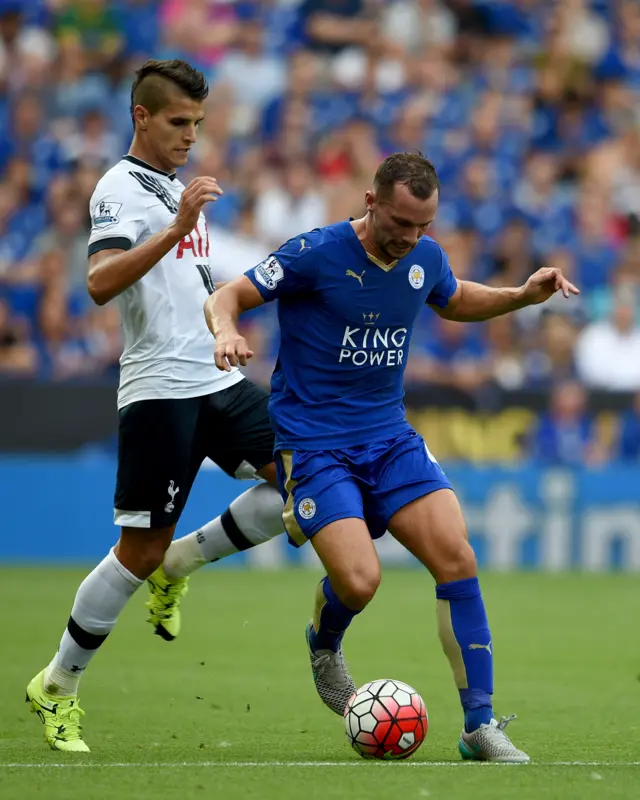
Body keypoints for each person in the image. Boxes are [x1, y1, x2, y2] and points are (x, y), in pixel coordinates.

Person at [206, 152, 579, 763]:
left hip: (390, 436)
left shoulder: (424, 258)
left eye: (422, 227)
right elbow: (229, 296)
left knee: (457, 556)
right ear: (371, 200)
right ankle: (324, 644)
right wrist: (226, 329)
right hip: (315, 442)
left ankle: (479, 727)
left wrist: (519, 296)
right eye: (401, 223)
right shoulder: (314, 253)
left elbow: (453, 298)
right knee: (360, 581)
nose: (410, 239)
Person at [25, 59, 286, 753]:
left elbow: (186, 285)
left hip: (215, 378)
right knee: (137, 550)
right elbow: (99, 283)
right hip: (158, 392)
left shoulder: (175, 190)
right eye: (178, 122)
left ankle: (184, 565)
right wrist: (174, 228)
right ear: (142, 117)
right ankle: (57, 684)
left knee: (307, 480)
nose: (190, 136)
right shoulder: (121, 187)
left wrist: (223, 328)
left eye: (198, 124)